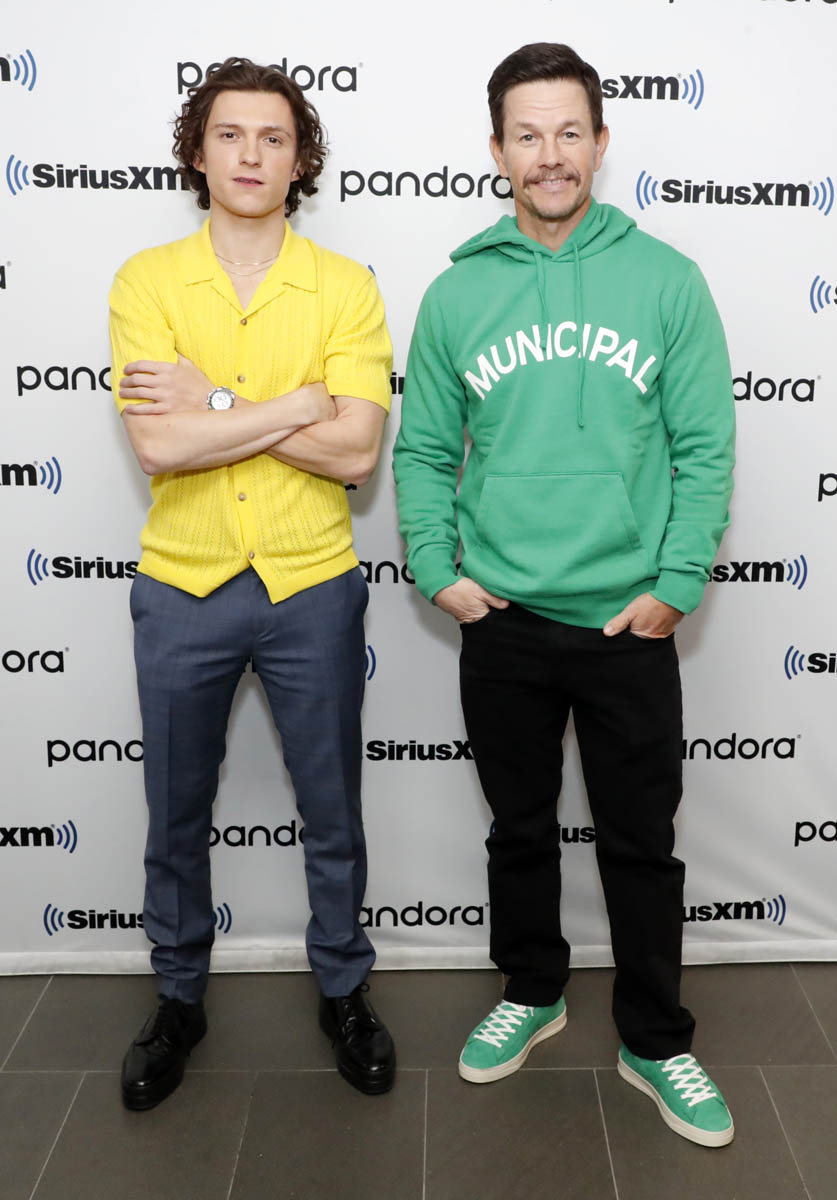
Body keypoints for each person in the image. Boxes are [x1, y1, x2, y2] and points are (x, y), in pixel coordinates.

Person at [393, 42, 735, 1147]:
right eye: (528, 135)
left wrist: (677, 583)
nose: (550, 155)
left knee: (641, 841)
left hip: (627, 618)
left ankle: (655, 1040)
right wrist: (437, 569)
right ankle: (533, 990)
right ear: (497, 150)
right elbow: (423, 449)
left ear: (600, 141)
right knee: (520, 829)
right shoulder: (457, 292)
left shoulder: (667, 280)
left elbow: (705, 447)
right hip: (502, 618)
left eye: (569, 132)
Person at [109, 57, 395, 1110]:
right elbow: (159, 445)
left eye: (274, 138)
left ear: (300, 159)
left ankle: (345, 991)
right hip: (181, 586)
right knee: (175, 813)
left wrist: (219, 403)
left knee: (332, 809)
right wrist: (292, 404)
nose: (250, 155)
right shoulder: (146, 281)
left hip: (311, 585)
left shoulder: (345, 287)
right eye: (229, 134)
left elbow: (356, 451)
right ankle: (177, 997)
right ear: (198, 151)